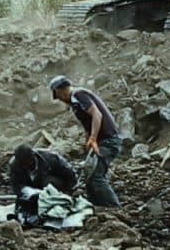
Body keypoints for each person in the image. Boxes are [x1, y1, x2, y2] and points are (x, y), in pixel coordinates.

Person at [48, 75, 121, 207]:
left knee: (95, 177)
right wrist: (89, 141)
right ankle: (96, 208)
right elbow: (87, 123)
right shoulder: (75, 102)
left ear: (61, 90)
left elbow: (97, 114)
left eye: (58, 95)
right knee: (90, 176)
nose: (60, 99)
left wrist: (93, 138)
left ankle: (115, 209)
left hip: (108, 140)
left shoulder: (78, 94)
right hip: (102, 141)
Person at [8, 143, 79, 194]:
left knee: (50, 182)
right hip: (32, 191)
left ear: (33, 156)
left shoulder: (51, 158)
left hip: (53, 186)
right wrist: (27, 191)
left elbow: (70, 173)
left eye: (26, 163)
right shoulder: (14, 165)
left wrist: (70, 191)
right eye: (21, 164)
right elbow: (16, 186)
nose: (24, 167)